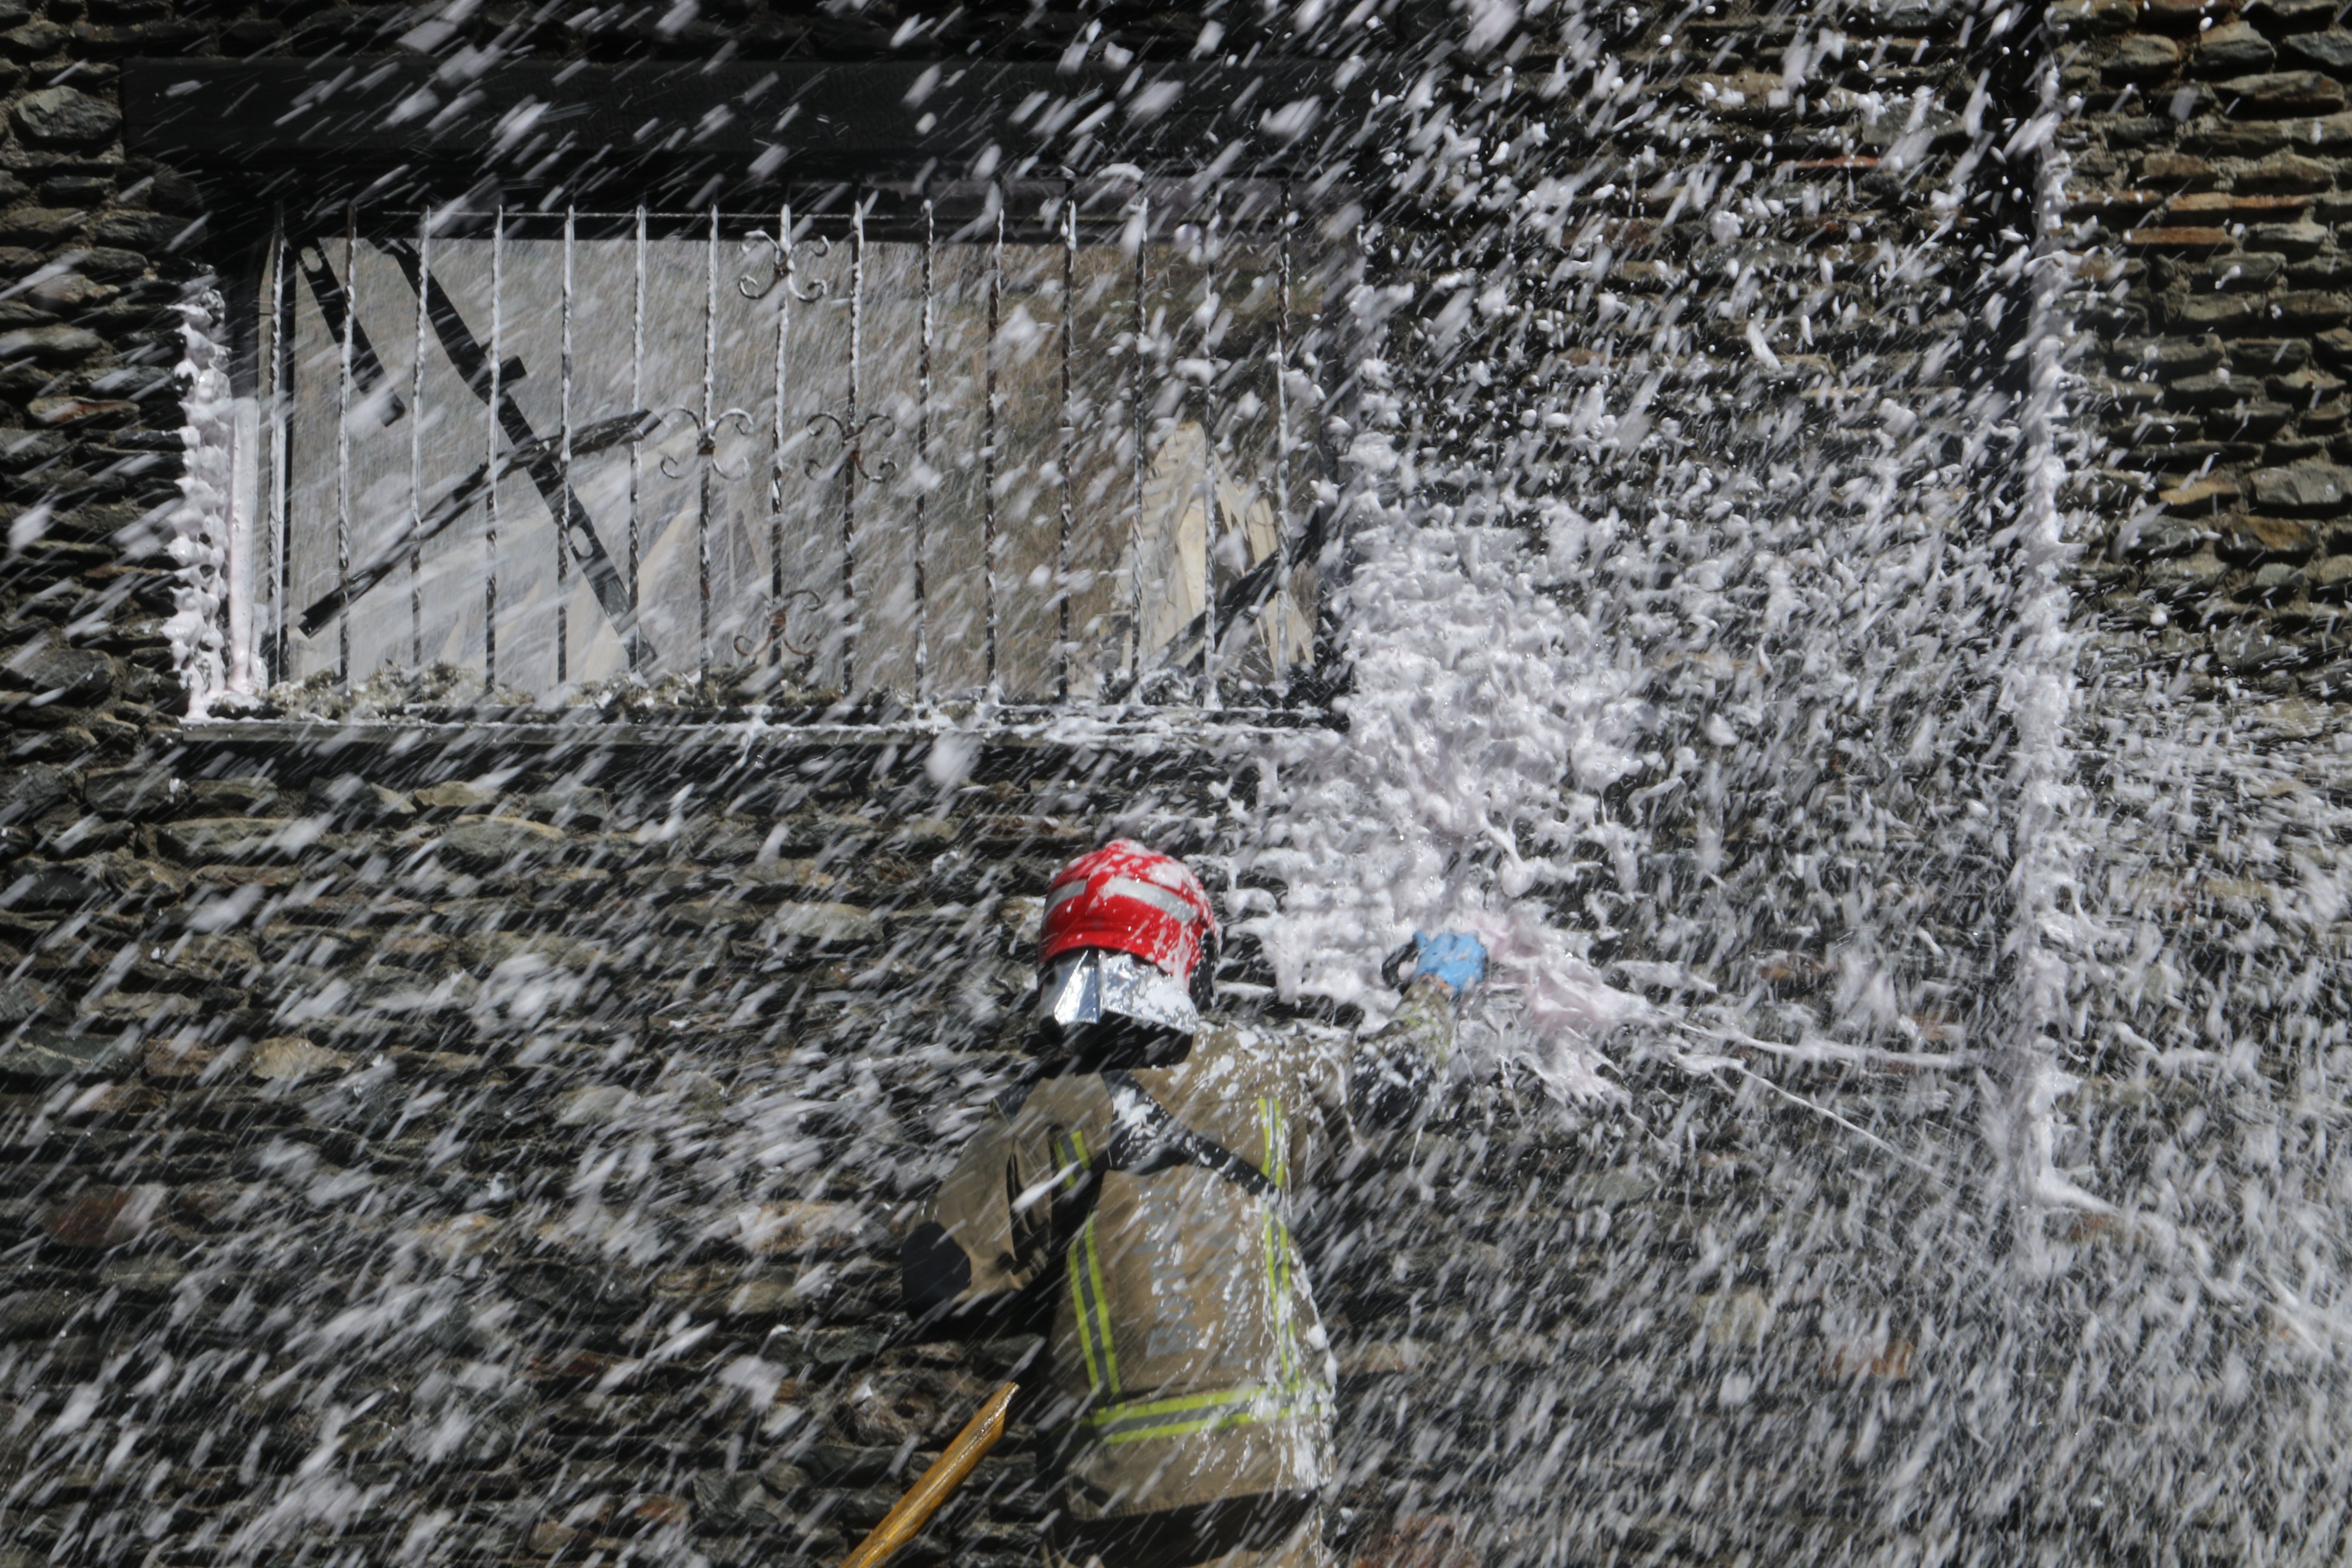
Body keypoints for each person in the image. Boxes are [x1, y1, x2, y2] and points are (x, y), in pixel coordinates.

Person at [900, 840, 1488, 1568]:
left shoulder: (1039, 1112)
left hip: (1115, 1491)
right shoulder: (1259, 1071)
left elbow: (937, 1285)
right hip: (1267, 1461)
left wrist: (1056, 1280)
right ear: (1187, 958)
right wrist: (1435, 990)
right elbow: (1398, 1077)